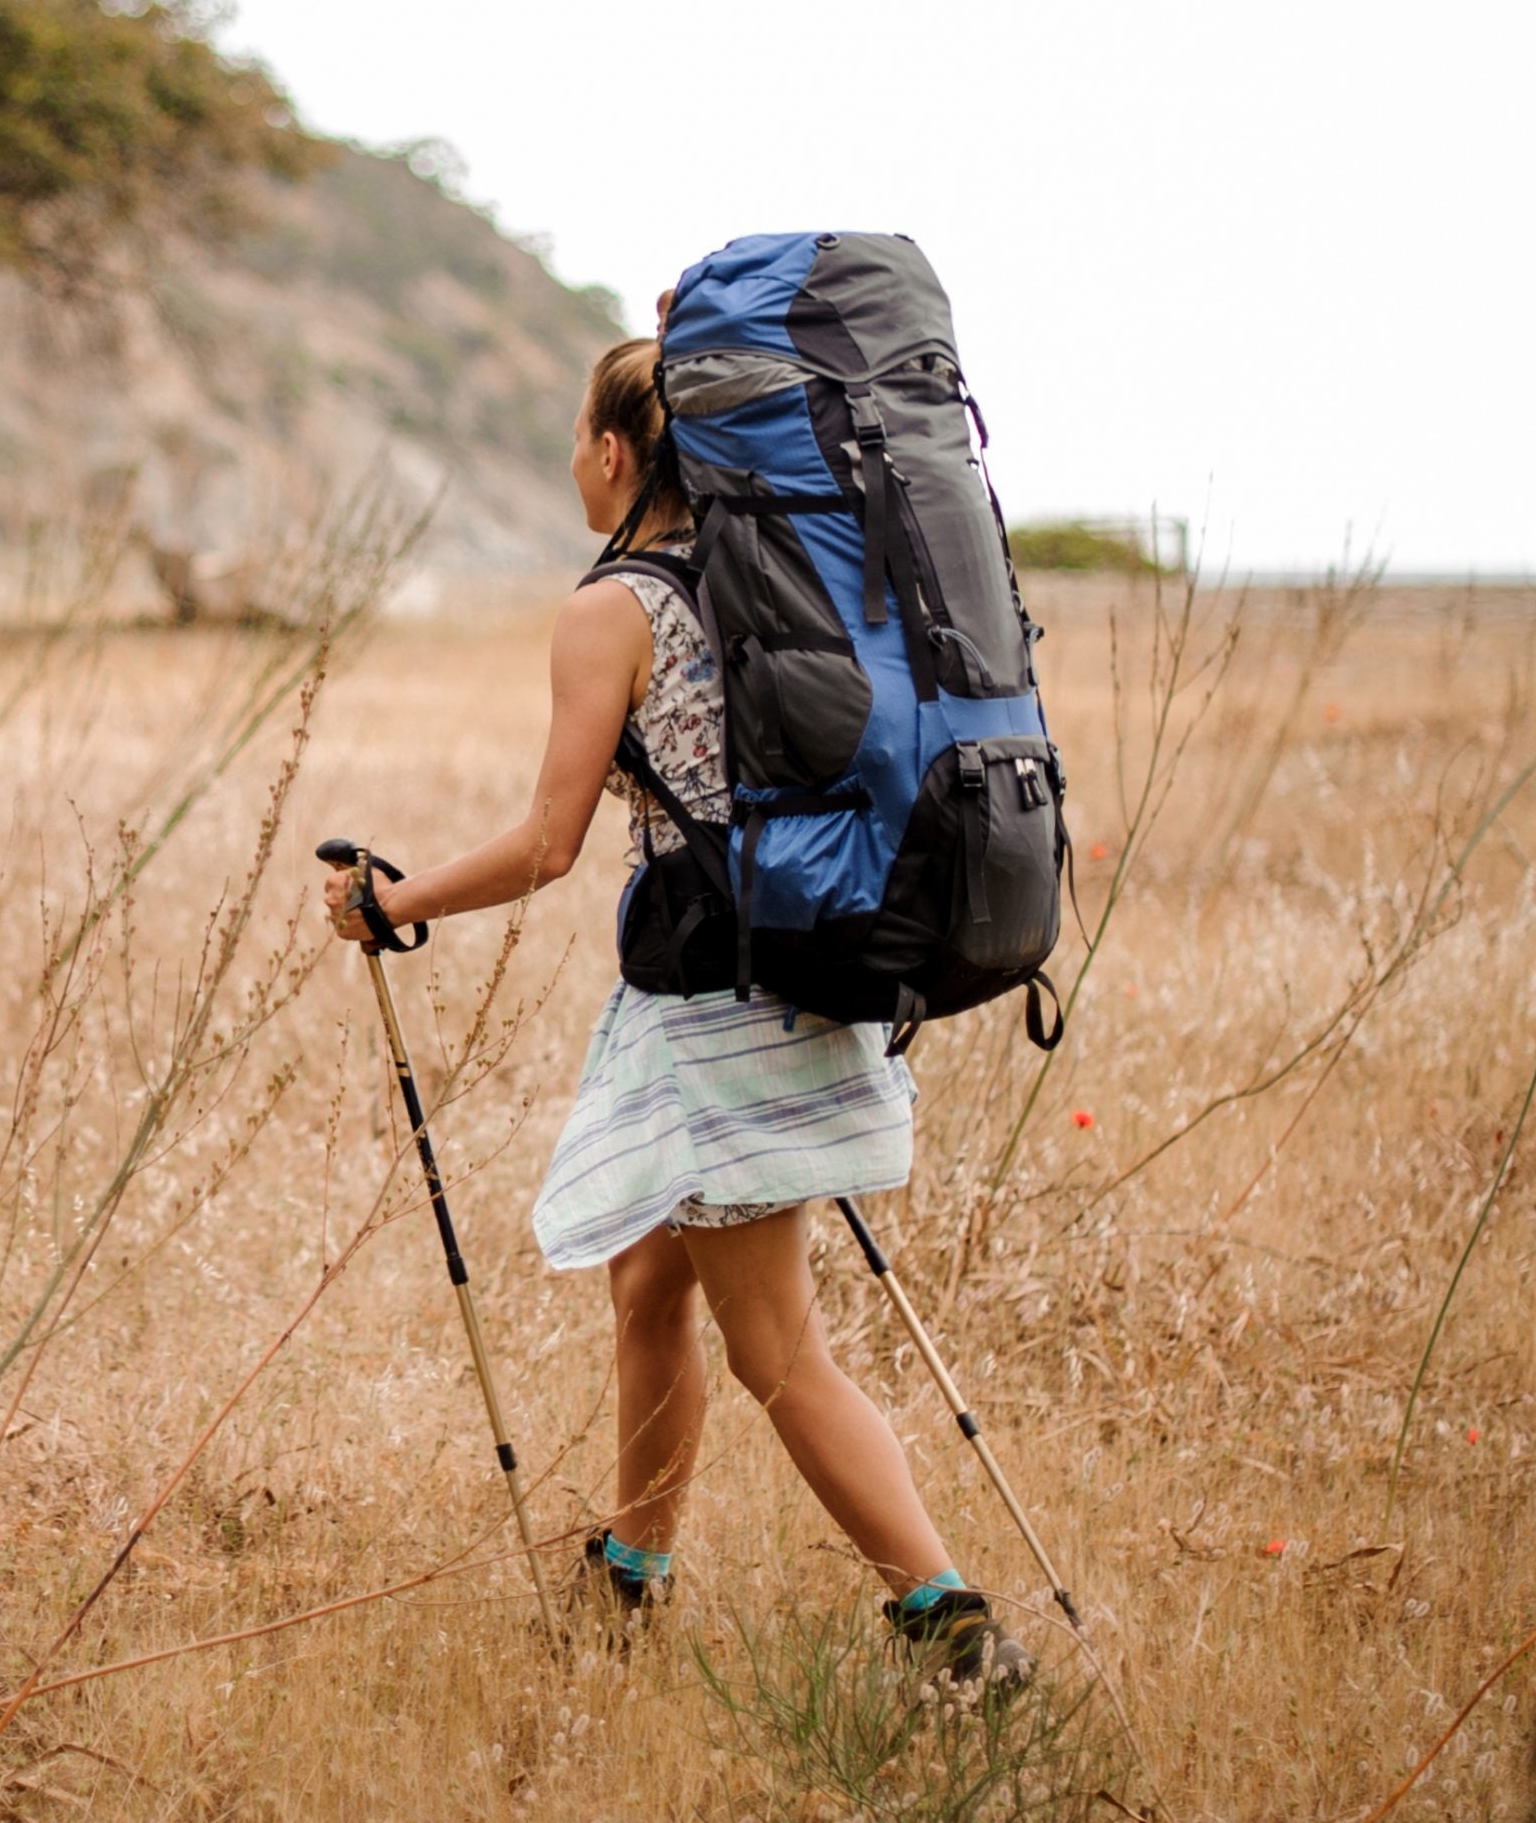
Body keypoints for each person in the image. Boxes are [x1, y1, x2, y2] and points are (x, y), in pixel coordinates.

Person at [323, 335, 1031, 1681]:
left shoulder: (613, 610)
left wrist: (392, 904)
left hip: (721, 1009)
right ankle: (631, 1576)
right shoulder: (782, 579)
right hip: (794, 972)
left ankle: (954, 1631)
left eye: (573, 439)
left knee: (780, 1353)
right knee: (651, 1282)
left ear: (609, 452)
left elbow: (547, 844)